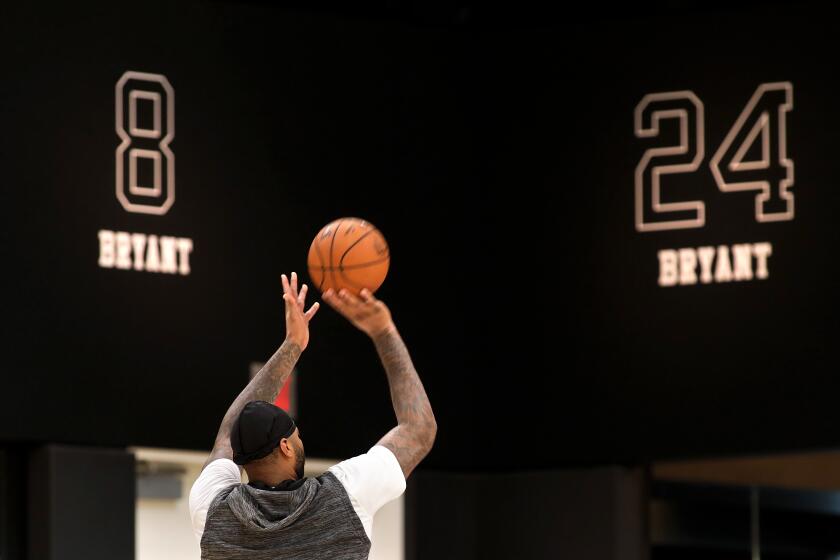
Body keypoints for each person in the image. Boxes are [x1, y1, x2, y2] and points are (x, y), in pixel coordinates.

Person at [188, 272, 437, 559]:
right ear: (285, 447)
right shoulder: (344, 496)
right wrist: (383, 331)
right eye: (296, 434)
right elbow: (419, 428)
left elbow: (225, 438)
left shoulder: (213, 510)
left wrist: (292, 345)